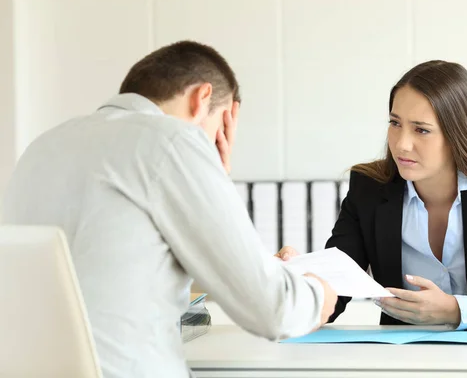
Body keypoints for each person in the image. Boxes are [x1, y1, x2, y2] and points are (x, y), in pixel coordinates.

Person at [2, 40, 337, 377]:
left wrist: (253, 266)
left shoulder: (42, 148)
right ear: (201, 97)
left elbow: (126, 310)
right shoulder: (171, 141)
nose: (221, 141)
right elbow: (274, 311)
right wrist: (317, 292)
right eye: (222, 126)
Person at [277, 60, 467, 331]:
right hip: (405, 360)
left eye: (421, 130)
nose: (402, 144)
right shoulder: (369, 187)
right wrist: (299, 285)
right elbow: (336, 291)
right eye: (395, 124)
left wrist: (457, 310)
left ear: (460, 134)